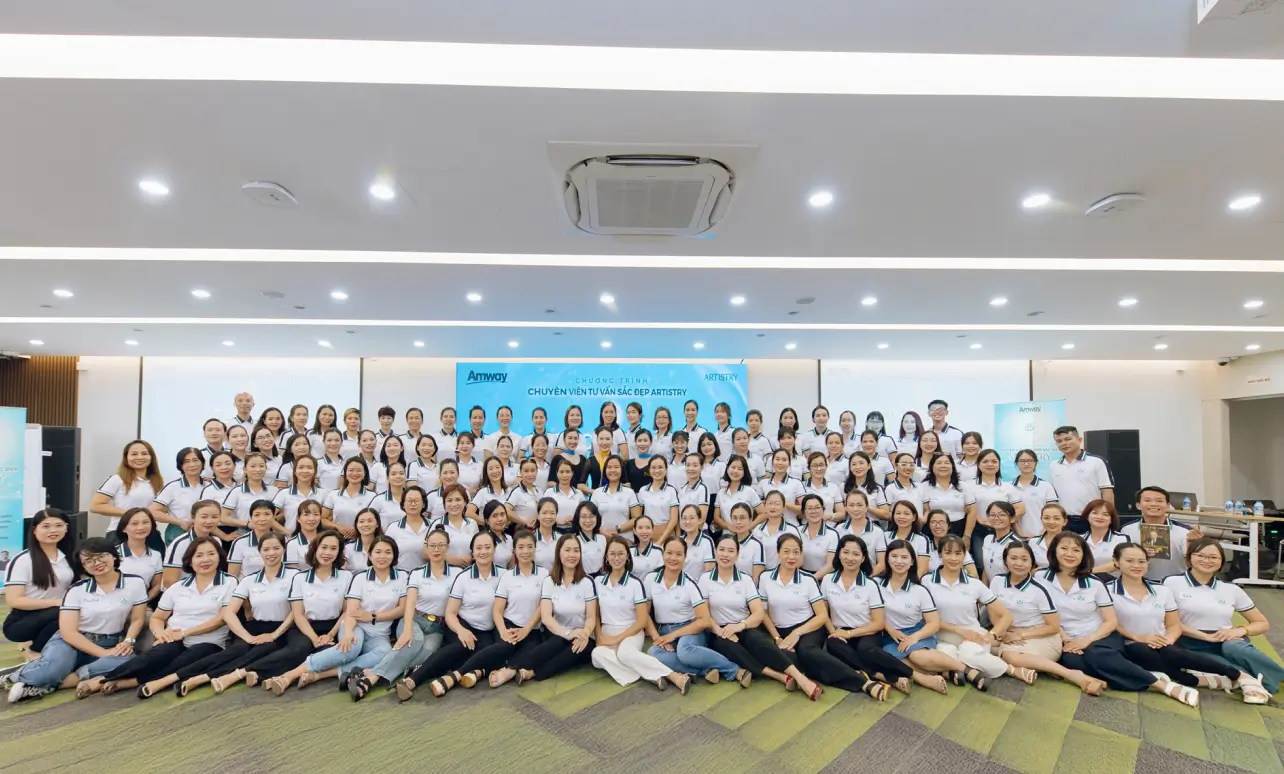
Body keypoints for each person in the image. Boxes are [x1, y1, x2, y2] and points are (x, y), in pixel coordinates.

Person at [1040, 532, 1194, 705]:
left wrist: (1086, 640)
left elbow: (1111, 621)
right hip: (1065, 638)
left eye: (1076, 550)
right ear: (1054, 551)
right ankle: (1139, 673)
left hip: (1100, 635)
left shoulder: (1094, 583)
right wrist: (1066, 638)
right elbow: (1041, 614)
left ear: (1084, 555)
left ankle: (1163, 686)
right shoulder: (1040, 578)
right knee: (1074, 662)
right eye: (1064, 548)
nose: (1070, 554)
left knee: (1097, 656)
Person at [1110, 542, 1269, 703]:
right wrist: (1138, 637)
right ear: (1116, 561)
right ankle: (1228, 677)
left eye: (1142, 561)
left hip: (1185, 642)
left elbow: (1173, 624)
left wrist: (1167, 640)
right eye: (1129, 561)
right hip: (1143, 643)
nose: (1136, 565)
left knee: (1229, 647)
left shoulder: (1161, 590)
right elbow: (1108, 622)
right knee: (1143, 651)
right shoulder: (1110, 590)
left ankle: (1244, 677)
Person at [3, 538, 148, 703]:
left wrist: (128, 641)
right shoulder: (77, 590)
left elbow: (137, 619)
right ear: (83, 567)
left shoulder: (135, 583)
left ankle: (49, 679)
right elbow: (68, 633)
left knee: (130, 662)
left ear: (114, 556)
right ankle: (16, 676)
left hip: (111, 642)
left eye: (101, 556)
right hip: (72, 641)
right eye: (89, 561)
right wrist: (103, 654)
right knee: (54, 668)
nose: (97, 563)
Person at [90, 537, 237, 697]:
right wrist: (160, 633)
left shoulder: (229, 583)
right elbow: (157, 618)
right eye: (199, 555)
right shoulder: (178, 587)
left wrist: (184, 633)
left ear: (220, 557)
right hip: (173, 638)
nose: (205, 560)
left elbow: (222, 619)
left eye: (211, 554)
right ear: (190, 560)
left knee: (183, 662)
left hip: (209, 642)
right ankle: (105, 679)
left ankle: (128, 682)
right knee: (153, 657)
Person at [266, 536, 407, 694]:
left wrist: (374, 617)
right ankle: (290, 675)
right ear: (370, 555)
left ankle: (321, 675)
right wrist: (347, 632)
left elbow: (402, 608)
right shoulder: (360, 577)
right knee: (350, 648)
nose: (382, 556)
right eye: (378, 552)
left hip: (380, 633)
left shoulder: (402, 577)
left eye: (388, 552)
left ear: (394, 555)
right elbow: (351, 611)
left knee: (385, 654)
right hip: (356, 626)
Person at [164, 534, 297, 696]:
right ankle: (176, 677)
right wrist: (248, 637)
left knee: (263, 650)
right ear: (260, 552)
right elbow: (229, 613)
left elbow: (297, 611)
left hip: (284, 627)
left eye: (276, 548)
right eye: (266, 549)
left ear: (284, 549)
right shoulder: (249, 580)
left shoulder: (295, 576)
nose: (271, 553)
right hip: (256, 626)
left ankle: (202, 678)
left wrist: (275, 634)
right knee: (234, 652)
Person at [761, 533, 889, 699]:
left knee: (808, 652)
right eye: (786, 552)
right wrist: (777, 638)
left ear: (801, 554)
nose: (791, 557)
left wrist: (797, 633)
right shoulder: (766, 578)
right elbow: (763, 613)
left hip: (809, 627)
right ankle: (857, 674)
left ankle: (864, 683)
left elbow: (821, 615)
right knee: (794, 660)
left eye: (796, 552)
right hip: (780, 630)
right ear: (778, 553)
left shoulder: (808, 580)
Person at [699, 533, 823, 699]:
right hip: (717, 630)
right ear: (715, 552)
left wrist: (740, 626)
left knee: (759, 641)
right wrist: (721, 631)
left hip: (744, 625)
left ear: (737, 554)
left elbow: (758, 613)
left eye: (730, 551)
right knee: (731, 647)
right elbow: (704, 614)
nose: (725, 554)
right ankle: (779, 676)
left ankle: (800, 678)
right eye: (721, 550)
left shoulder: (745, 580)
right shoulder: (705, 579)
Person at [343, 528, 458, 700]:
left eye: (441, 545)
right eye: (432, 545)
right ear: (426, 547)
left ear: (447, 547)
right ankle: (371, 679)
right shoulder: (417, 573)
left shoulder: (457, 574)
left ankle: (367, 672)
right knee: (413, 641)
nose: (436, 549)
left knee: (427, 652)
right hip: (415, 619)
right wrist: (408, 629)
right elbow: (409, 603)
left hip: (438, 626)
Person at [1164, 537, 1284, 697]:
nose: (1207, 560)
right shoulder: (1172, 583)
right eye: (1200, 555)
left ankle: (1276, 676)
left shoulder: (1231, 589)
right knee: (1233, 671)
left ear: (1221, 562)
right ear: (1189, 558)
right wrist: (1205, 637)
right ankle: (1256, 682)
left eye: (1213, 557)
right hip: (1190, 642)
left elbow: (1262, 623)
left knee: (1233, 647)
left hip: (1227, 639)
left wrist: (1240, 631)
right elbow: (1166, 620)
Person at [988, 540, 1105, 695]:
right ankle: (1038, 667)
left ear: (1032, 564)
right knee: (978, 645)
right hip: (1009, 633)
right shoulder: (997, 581)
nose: (1019, 563)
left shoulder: (1038, 590)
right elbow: (993, 612)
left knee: (1009, 655)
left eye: (1024, 559)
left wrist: (1020, 635)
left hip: (1041, 636)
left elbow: (1053, 627)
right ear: (1005, 561)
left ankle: (1072, 675)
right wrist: (1003, 633)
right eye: (1013, 558)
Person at [394, 532, 501, 700]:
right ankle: (413, 680)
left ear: (495, 549)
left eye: (487, 547)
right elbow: (450, 613)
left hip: (486, 630)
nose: (483, 552)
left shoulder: (504, 576)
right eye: (478, 548)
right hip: (461, 624)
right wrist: (461, 630)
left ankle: (465, 673)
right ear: (472, 552)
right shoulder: (463, 576)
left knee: (489, 652)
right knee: (462, 646)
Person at [241, 531, 348, 690]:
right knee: (299, 649)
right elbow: (298, 614)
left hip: (333, 627)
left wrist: (331, 634)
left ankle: (278, 677)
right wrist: (314, 639)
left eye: (333, 548)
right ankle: (246, 672)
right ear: (315, 549)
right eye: (323, 547)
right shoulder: (300, 577)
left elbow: (347, 611)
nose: (327, 553)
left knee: (328, 652)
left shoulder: (346, 577)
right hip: (304, 626)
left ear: (339, 552)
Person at [923, 535, 1035, 686]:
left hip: (973, 637)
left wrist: (991, 635)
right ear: (940, 555)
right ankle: (969, 672)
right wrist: (959, 630)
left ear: (965, 555)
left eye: (958, 553)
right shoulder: (927, 581)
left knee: (969, 654)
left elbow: (1006, 616)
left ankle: (1011, 669)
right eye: (948, 553)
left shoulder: (974, 584)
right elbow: (926, 618)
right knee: (946, 656)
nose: (953, 558)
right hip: (940, 637)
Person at [443, 529, 548, 690]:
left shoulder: (544, 574)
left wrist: (526, 629)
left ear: (535, 548)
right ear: (514, 550)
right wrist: (504, 631)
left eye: (529, 547)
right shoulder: (507, 576)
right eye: (520, 547)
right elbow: (497, 610)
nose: (525, 551)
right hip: (509, 624)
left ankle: (503, 671)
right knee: (504, 647)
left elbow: (543, 606)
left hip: (532, 628)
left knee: (532, 650)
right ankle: (458, 674)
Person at [875, 540, 982, 693]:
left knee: (916, 656)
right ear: (887, 558)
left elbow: (933, 623)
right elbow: (870, 614)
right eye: (894, 556)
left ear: (912, 562)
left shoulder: (919, 590)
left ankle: (967, 670)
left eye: (904, 557)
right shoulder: (875, 584)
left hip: (916, 632)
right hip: (888, 635)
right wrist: (890, 629)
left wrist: (914, 638)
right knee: (891, 659)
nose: (899, 561)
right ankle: (942, 673)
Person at [821, 534, 920, 694]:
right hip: (840, 631)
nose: (850, 558)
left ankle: (915, 675)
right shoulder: (828, 580)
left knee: (866, 649)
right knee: (833, 644)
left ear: (863, 558)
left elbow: (878, 623)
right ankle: (881, 675)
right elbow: (823, 613)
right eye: (845, 552)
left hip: (867, 631)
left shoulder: (870, 584)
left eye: (856, 554)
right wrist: (834, 632)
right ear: (838, 554)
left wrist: (850, 633)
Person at [644, 536, 748, 686]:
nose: (673, 558)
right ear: (663, 554)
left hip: (691, 630)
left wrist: (673, 635)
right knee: (654, 653)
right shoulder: (651, 579)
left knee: (685, 650)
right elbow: (645, 613)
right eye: (669, 553)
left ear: (685, 557)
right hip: (663, 631)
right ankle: (704, 671)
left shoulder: (690, 583)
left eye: (679, 554)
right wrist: (657, 638)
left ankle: (734, 670)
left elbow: (704, 620)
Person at [592, 536, 691, 691]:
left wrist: (617, 638)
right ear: (606, 557)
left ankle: (674, 676)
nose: (616, 558)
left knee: (625, 654)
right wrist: (599, 636)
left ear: (627, 556)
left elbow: (643, 619)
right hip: (607, 630)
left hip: (632, 631)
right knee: (596, 655)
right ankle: (651, 675)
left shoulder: (635, 583)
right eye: (612, 554)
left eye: (621, 554)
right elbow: (596, 614)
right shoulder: (598, 582)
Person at [501, 535, 599, 684]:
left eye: (576, 550)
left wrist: (585, 633)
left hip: (582, 635)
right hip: (557, 632)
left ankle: (526, 671)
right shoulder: (549, 581)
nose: (572, 555)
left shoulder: (587, 582)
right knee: (558, 643)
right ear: (559, 553)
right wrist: (567, 633)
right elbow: (546, 618)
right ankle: (515, 669)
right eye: (567, 550)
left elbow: (591, 617)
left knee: (577, 649)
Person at [3, 509, 76, 656]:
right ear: (34, 530)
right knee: (66, 611)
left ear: (66, 528)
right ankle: (35, 650)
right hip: (22, 621)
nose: (53, 530)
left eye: (58, 525)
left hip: (56, 615)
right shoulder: (23, 560)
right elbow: (14, 600)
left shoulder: (69, 557)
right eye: (46, 526)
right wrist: (57, 603)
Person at [1121, 485, 1202, 581]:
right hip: (1138, 581)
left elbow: (1192, 564)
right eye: (1147, 500)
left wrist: (1193, 544)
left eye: (1159, 501)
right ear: (1138, 505)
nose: (1153, 504)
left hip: (1175, 581)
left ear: (1168, 506)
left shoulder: (1185, 531)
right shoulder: (1126, 530)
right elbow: (1120, 559)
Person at [1048, 426, 1114, 533]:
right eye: (1059, 441)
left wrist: (1108, 517)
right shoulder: (1054, 465)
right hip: (1064, 521)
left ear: (1079, 440)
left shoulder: (1096, 462)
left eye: (1067, 439)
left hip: (1091, 519)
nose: (1064, 443)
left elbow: (1107, 492)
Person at [90, 440, 164, 532]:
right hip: (121, 533)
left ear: (151, 457)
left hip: (149, 533)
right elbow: (95, 506)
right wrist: (130, 514)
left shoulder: (157, 481)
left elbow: (161, 509)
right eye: (134, 454)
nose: (139, 457)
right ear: (126, 458)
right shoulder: (117, 479)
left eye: (144, 453)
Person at [966, 449, 1024, 562]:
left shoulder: (1007, 486)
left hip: (1002, 530)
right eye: (985, 461)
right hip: (977, 529)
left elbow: (1021, 509)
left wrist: (1003, 519)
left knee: (1003, 561)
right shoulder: (969, 485)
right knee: (981, 562)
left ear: (999, 464)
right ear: (978, 464)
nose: (990, 464)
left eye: (994, 461)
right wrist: (978, 518)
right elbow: (965, 507)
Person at [161, 499, 227, 589]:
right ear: (193, 517)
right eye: (204, 517)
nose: (209, 521)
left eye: (214, 517)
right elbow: (169, 581)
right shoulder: (180, 543)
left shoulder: (216, 541)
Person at [151, 447, 210, 543]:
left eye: (195, 460)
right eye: (186, 461)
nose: (192, 464)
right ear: (180, 465)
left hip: (206, 533)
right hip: (179, 533)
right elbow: (152, 511)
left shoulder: (209, 486)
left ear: (202, 462)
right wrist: (180, 522)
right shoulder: (173, 487)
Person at [272, 455, 331, 533]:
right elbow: (269, 517)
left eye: (309, 468)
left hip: (317, 538)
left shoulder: (323, 494)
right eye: (301, 467)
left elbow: (329, 518)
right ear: (294, 471)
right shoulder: (284, 493)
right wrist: (287, 533)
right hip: (291, 538)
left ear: (315, 472)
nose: (305, 471)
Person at [114, 508, 164, 600]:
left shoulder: (156, 555)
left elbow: (157, 585)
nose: (141, 527)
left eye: (145, 522)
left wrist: (142, 602)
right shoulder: (112, 553)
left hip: (143, 603)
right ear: (124, 528)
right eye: (134, 523)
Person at [922, 453, 976, 538]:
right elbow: (925, 510)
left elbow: (972, 511)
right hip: (933, 530)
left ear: (952, 466)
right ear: (932, 467)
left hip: (959, 529)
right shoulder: (924, 486)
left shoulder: (963, 486)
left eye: (947, 463)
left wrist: (967, 536)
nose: (943, 466)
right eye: (939, 463)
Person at [833, 491, 887, 574]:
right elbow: (834, 558)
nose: (855, 509)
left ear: (867, 507)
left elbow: (881, 563)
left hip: (868, 576)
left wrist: (866, 579)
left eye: (859, 505)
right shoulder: (839, 529)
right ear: (846, 507)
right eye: (851, 505)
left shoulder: (877, 532)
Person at [220, 454, 276, 531]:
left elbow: (282, 513)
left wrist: (271, 521)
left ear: (266, 468)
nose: (257, 470)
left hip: (269, 533)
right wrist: (247, 524)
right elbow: (223, 517)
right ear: (245, 469)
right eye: (253, 466)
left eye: (261, 466)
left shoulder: (273, 490)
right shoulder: (237, 491)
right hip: (244, 532)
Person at [227, 500, 283, 577]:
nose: (262, 519)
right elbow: (232, 577)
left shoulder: (283, 540)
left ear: (273, 516)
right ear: (251, 518)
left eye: (267, 514)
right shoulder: (240, 542)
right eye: (257, 515)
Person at [384, 486, 433, 573]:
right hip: (400, 575)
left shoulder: (433, 525)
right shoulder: (393, 528)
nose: (413, 504)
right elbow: (386, 553)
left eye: (416, 501)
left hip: (426, 576)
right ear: (403, 504)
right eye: (409, 501)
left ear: (424, 504)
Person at [1011, 449, 1059, 538]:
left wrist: (1043, 533)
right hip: (1017, 536)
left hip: (1043, 535)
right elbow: (1009, 515)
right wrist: (1020, 534)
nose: (1026, 464)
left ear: (1035, 463)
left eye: (1030, 460)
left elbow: (1054, 511)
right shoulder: (1009, 487)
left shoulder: (1046, 486)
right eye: (1022, 461)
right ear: (1016, 464)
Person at [323, 458, 375, 538]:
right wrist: (338, 527)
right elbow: (322, 519)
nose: (355, 473)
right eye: (351, 470)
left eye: (359, 470)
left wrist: (357, 528)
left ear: (364, 473)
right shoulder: (333, 494)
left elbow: (376, 520)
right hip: (337, 539)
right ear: (345, 473)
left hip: (362, 539)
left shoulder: (372, 496)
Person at [635, 456, 680, 543]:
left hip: (667, 535)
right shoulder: (643, 490)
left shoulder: (671, 490)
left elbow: (674, 520)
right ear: (649, 470)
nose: (657, 471)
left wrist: (660, 541)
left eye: (660, 467)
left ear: (666, 470)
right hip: (647, 535)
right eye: (653, 467)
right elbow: (638, 516)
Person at [752, 491, 799, 570]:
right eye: (770, 503)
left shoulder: (791, 530)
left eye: (777, 504)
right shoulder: (757, 530)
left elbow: (799, 558)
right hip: (762, 573)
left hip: (784, 573)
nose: (773, 507)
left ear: (783, 507)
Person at [714, 456, 761, 534]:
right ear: (727, 468)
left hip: (745, 535)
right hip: (727, 536)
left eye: (740, 469)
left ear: (744, 472)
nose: (735, 471)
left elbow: (763, 513)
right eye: (733, 467)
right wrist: (728, 526)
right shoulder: (721, 493)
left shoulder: (749, 491)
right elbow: (716, 517)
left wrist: (750, 526)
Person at [978, 502, 1022, 583]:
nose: (996, 518)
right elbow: (987, 567)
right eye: (992, 515)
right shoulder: (987, 539)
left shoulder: (1017, 545)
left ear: (1012, 519)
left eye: (1002, 515)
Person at [1081, 500, 1128, 577]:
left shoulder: (1121, 539)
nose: (1099, 517)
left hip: (1112, 582)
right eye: (1095, 513)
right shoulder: (1078, 539)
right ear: (1087, 516)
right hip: (1083, 581)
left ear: (1111, 520)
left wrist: (1090, 571)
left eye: (1105, 514)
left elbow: (1120, 561)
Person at [758, 449, 804, 526]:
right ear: (772, 462)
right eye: (777, 459)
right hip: (768, 527)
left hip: (791, 526)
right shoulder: (763, 483)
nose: (780, 463)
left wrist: (784, 504)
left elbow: (805, 509)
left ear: (789, 463)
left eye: (784, 460)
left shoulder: (796, 483)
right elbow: (756, 507)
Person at [884, 502, 931, 576]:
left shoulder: (922, 539)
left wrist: (911, 582)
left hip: (913, 580)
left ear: (914, 517)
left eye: (906, 514)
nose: (901, 516)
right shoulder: (884, 536)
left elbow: (922, 569)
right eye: (898, 513)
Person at [925, 509, 977, 577]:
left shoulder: (958, 545)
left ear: (948, 526)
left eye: (942, 522)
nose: (938, 526)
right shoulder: (925, 547)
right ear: (929, 525)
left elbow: (974, 574)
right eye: (933, 522)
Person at [724, 503, 766, 581]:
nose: (738, 522)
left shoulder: (756, 546)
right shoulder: (726, 543)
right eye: (735, 518)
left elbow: (756, 579)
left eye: (742, 518)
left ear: (750, 520)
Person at [798, 494, 838, 575]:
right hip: (800, 575)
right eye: (809, 508)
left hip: (823, 577)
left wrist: (812, 579)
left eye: (817, 507)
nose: (814, 511)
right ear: (803, 512)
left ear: (823, 509)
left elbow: (830, 566)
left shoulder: (832, 534)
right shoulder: (797, 531)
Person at [545, 456, 587, 532]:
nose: (564, 475)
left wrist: (575, 519)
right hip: (554, 531)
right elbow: (543, 513)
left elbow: (585, 514)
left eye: (567, 472)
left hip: (575, 532)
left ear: (572, 473)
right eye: (561, 472)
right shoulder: (549, 493)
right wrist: (556, 521)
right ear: (557, 474)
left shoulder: (579, 494)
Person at [800, 453, 843, 523]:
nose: (818, 468)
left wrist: (829, 516)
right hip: (807, 526)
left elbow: (841, 514)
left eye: (821, 465)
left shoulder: (833, 487)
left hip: (829, 526)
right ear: (808, 468)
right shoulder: (801, 486)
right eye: (814, 466)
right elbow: (798, 513)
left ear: (826, 466)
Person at [886, 453, 928, 524]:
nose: (908, 468)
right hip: (899, 526)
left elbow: (926, 509)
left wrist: (924, 519)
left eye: (911, 465)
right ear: (896, 466)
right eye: (904, 464)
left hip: (919, 526)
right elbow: (887, 513)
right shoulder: (890, 488)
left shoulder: (920, 486)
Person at [676, 505, 715, 577]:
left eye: (692, 518)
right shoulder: (678, 541)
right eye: (684, 518)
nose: (687, 521)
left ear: (699, 520)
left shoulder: (707, 541)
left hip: (699, 583)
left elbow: (709, 572)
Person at [468, 457, 509, 523]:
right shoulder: (483, 492)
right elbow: (469, 513)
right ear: (486, 473)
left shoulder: (509, 491)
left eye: (497, 467)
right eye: (490, 469)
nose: (495, 471)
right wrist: (487, 523)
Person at [285, 499, 324, 569]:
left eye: (316, 514)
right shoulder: (292, 544)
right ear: (298, 518)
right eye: (306, 514)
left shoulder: (328, 540)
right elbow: (292, 571)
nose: (311, 518)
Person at [1029, 503, 1069, 569]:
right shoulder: (1033, 542)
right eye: (1046, 518)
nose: (1051, 522)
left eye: (1056, 518)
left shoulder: (1072, 542)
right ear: (1041, 520)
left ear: (1065, 522)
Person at [573, 502, 608, 575]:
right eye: (583, 516)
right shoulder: (574, 541)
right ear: (578, 518)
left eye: (592, 516)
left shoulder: (602, 539)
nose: (588, 520)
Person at [676, 455, 711, 528]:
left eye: (695, 465)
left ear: (701, 467)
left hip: (696, 531)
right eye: (688, 465)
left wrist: (691, 533)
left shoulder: (702, 489)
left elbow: (702, 519)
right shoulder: (682, 489)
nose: (691, 468)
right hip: (684, 531)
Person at [532, 497, 561, 572]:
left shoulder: (561, 539)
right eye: (544, 513)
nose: (548, 516)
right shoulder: (530, 538)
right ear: (538, 515)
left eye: (552, 513)